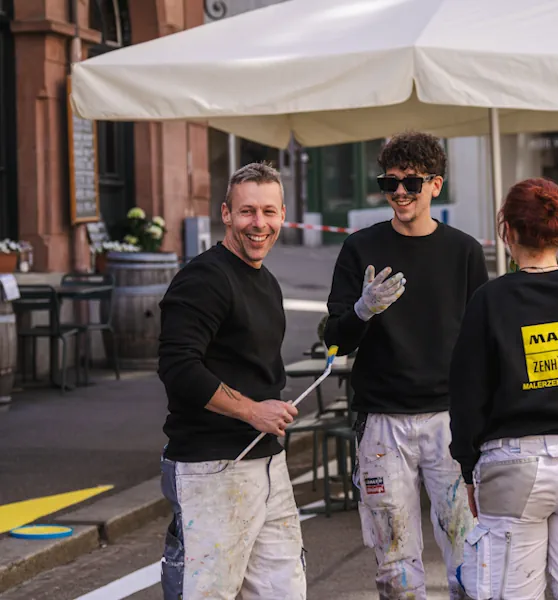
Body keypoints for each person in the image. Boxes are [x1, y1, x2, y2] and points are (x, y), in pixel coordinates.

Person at [324, 131, 489, 599]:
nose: (399, 192)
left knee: (470, 553)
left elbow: (482, 341)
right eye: (389, 182)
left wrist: (483, 418)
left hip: (449, 421)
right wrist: (360, 311)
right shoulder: (359, 248)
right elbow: (334, 338)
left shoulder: (463, 251)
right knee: (394, 564)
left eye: (411, 183)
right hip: (381, 422)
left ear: (436, 185)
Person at [449, 177, 558, 600]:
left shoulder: (490, 300)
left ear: (506, 230)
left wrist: (468, 468)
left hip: (512, 464)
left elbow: (467, 393)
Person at [157, 162, 306, 600]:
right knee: (207, 594)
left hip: (265, 464)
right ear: (225, 214)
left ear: (282, 215)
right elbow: (177, 367)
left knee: (284, 592)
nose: (258, 224)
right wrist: (252, 410)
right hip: (212, 467)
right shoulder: (205, 277)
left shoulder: (267, 281)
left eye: (268, 212)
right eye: (246, 212)